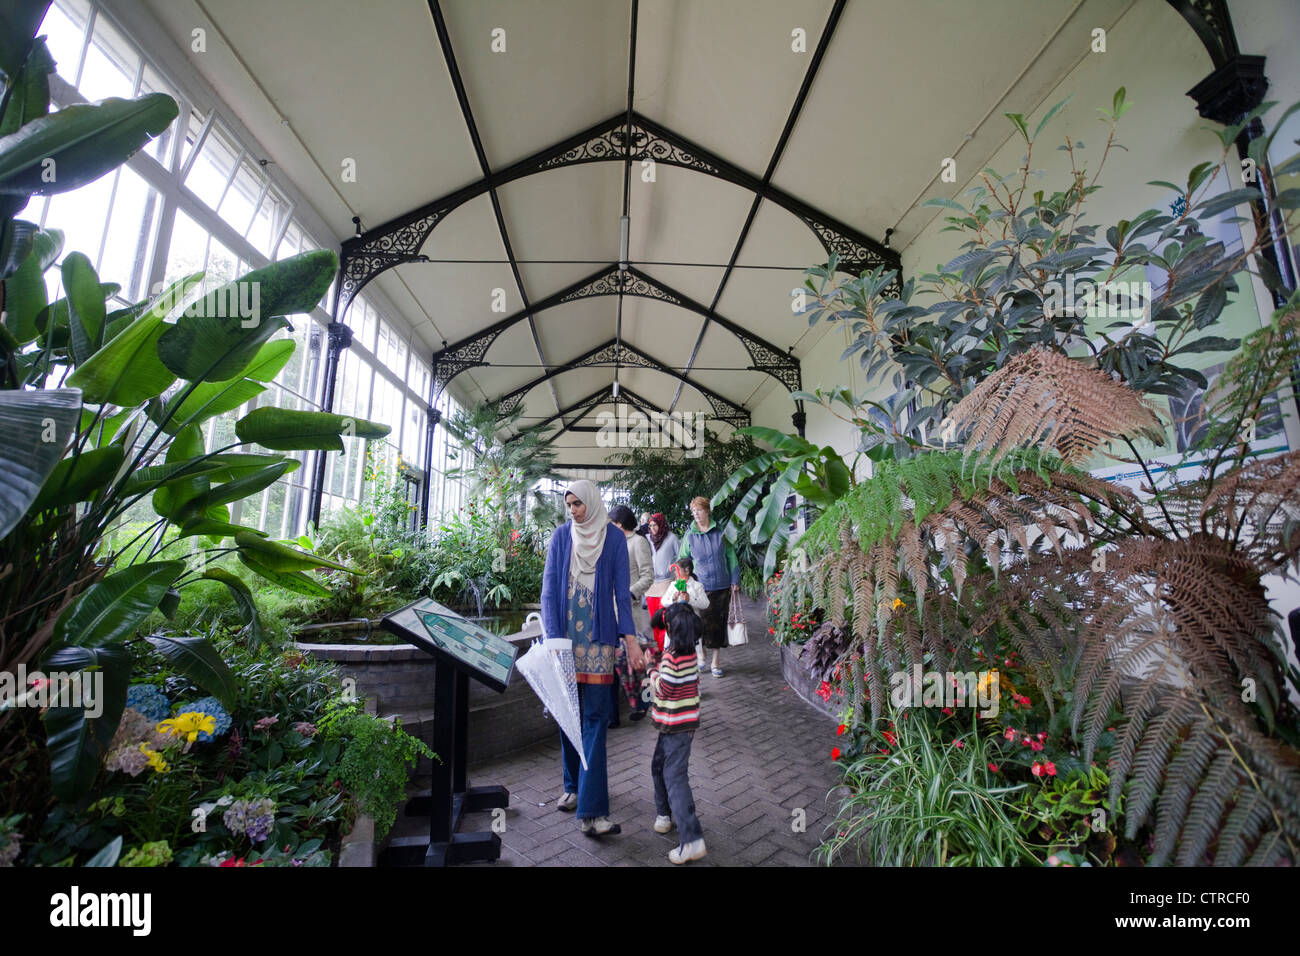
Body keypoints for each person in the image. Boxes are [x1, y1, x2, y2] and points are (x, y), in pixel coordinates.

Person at [540, 479, 637, 837]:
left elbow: (621, 596)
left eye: (578, 503)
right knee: (569, 716)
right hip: (565, 643)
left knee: (595, 720)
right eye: (569, 504)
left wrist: (631, 640)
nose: (573, 510)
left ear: (592, 503)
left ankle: (592, 812)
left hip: (599, 643)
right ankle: (573, 784)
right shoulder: (561, 538)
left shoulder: (613, 539)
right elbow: (549, 592)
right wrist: (553, 642)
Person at [646, 600, 707, 864]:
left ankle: (692, 840)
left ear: (672, 630)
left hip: (676, 728)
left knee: (674, 777)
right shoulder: (688, 653)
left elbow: (663, 688)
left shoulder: (672, 657)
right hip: (678, 725)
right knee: (658, 766)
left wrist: (651, 670)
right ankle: (664, 814)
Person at [678, 496, 740, 678]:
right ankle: (702, 655)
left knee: (718, 625)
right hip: (699, 588)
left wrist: (735, 580)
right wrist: (681, 587)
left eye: (699, 510)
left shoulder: (721, 532)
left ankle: (715, 661)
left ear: (707, 511)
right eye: (693, 511)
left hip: (721, 586)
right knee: (700, 625)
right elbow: (682, 563)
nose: (695, 514)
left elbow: (731, 556)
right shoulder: (690, 536)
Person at [609, 505, 654, 723]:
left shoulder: (639, 542)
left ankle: (646, 702)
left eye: (611, 523)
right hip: (611, 613)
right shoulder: (611, 543)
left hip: (631, 612)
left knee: (639, 663)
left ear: (619, 524)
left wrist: (629, 593)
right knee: (619, 664)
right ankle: (628, 708)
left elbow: (648, 576)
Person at [647, 512, 681, 583]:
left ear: (661, 524)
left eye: (655, 525)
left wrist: (673, 567)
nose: (652, 528)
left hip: (668, 580)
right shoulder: (649, 539)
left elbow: (680, 556)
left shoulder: (672, 538)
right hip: (652, 581)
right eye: (650, 526)